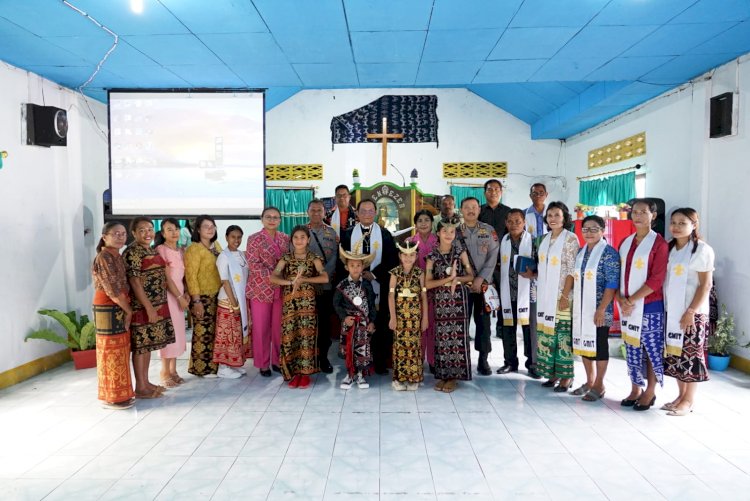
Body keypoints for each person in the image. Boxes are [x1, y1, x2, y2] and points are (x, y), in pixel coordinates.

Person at [616, 199, 668, 411]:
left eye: (643, 212)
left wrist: (631, 300)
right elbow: (619, 275)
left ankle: (650, 392)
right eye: (634, 212)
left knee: (650, 349)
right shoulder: (625, 242)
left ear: (653, 216)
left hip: (650, 305)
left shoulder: (659, 244)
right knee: (632, 348)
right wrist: (621, 299)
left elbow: (657, 279)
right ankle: (635, 387)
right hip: (628, 305)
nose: (637, 216)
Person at [663, 208, 714, 416]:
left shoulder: (702, 250)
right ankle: (680, 395)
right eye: (673, 222)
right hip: (672, 310)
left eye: (682, 223)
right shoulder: (670, 249)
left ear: (694, 225)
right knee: (676, 354)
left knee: (691, 356)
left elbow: (705, 285)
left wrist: (691, 311)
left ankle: (689, 400)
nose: (676, 227)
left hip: (693, 313)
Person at [339, 199, 398, 375]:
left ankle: (379, 361)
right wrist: (354, 277)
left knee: (378, 323)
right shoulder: (347, 234)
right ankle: (356, 362)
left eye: (370, 210)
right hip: (354, 286)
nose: (366, 214)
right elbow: (342, 260)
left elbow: (391, 260)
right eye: (362, 211)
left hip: (378, 285)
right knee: (358, 324)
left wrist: (373, 274)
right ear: (357, 213)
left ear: (375, 213)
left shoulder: (385, 234)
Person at [123, 217, 176, 398]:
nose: (147, 233)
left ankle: (146, 382)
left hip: (156, 303)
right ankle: (141, 387)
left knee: (147, 346)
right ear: (134, 233)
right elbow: (135, 282)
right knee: (140, 347)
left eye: (150, 229)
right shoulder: (133, 252)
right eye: (142, 230)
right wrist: (149, 308)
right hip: (142, 307)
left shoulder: (150, 249)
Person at [270, 226, 328, 388]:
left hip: (308, 303)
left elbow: (324, 277)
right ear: (291, 240)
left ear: (308, 240)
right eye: (296, 237)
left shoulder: (313, 258)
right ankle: (293, 372)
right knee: (291, 335)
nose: (299, 240)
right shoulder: (285, 258)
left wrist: (305, 280)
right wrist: (290, 282)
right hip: (290, 302)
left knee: (306, 336)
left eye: (303, 237)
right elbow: (273, 277)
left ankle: (305, 373)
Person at [571, 215, 620, 401]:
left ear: (602, 231)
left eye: (593, 229)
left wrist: (601, 309)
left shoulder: (609, 253)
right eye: (585, 229)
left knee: (599, 346)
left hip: (600, 310)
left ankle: (599, 384)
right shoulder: (581, 252)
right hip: (582, 309)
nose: (589, 233)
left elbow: (612, 283)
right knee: (585, 346)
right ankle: (589, 381)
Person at [534, 202, 580, 391]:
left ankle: (566, 377)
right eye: (550, 215)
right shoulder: (543, 239)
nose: (553, 218)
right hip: (545, 296)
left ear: (565, 217)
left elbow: (571, 269)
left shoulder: (571, 239)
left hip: (562, 296)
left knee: (562, 337)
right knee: (547, 336)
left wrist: (564, 295)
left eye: (557, 215)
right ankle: (552, 374)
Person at [426, 219, 474, 393]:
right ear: (438, 233)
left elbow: (470, 276)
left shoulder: (460, 252)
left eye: (452, 232)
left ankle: (454, 376)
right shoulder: (432, 256)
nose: (448, 235)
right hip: (440, 299)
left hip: (458, 299)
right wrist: (448, 279)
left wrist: (457, 279)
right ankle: (444, 375)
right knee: (442, 338)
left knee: (457, 337)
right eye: (444, 231)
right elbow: (428, 283)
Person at [91, 222, 135, 410]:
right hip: (108, 308)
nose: (120, 237)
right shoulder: (104, 257)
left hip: (120, 305)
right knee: (110, 353)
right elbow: (112, 290)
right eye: (115, 233)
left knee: (122, 350)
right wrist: (129, 310)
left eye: (123, 234)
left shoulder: (117, 255)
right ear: (104, 236)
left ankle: (122, 394)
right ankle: (111, 397)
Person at [246, 207, 290, 377]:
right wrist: (275, 276)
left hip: (280, 290)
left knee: (278, 328)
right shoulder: (254, 239)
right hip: (260, 290)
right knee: (261, 328)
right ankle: (263, 364)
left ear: (280, 220)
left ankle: (277, 361)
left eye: (275, 217)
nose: (272, 220)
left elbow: (289, 261)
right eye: (268, 217)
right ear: (262, 219)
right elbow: (253, 264)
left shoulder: (285, 239)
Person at [457, 197, 498, 375]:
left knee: (483, 324)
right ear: (461, 210)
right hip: (461, 286)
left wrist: (481, 278)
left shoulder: (488, 231)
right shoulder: (454, 232)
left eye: (474, 207)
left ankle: (483, 360)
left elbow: (493, 255)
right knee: (461, 322)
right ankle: (461, 358)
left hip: (482, 286)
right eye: (467, 207)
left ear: (479, 210)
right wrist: (464, 279)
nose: (471, 210)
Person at [497, 209, 540, 378]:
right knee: (508, 328)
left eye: (518, 221)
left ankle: (533, 363)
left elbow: (541, 266)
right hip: (508, 291)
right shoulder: (503, 241)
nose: (514, 224)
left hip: (528, 293)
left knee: (530, 330)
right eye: (511, 221)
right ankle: (510, 362)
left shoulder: (534, 242)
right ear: (506, 223)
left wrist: (534, 274)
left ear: (524, 223)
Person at [333, 241, 377, 389]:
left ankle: (360, 375)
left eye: (358, 265)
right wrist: (344, 317)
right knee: (349, 348)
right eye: (352, 265)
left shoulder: (367, 285)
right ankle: (349, 374)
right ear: (346, 267)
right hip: (349, 323)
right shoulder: (342, 285)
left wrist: (372, 322)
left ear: (363, 267)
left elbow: (371, 304)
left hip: (364, 323)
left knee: (362, 348)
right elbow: (336, 304)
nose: (355, 268)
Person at [185, 215, 223, 377]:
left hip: (218, 295)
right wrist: (196, 300)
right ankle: (201, 368)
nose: (210, 229)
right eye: (206, 226)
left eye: (212, 226)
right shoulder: (194, 249)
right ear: (198, 230)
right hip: (202, 297)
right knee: (202, 333)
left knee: (216, 332)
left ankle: (215, 366)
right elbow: (191, 276)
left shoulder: (217, 246)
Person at [388, 240, 429, 391]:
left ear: (416, 256)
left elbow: (423, 296)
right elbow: (390, 296)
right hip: (399, 316)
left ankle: (414, 378)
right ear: (400, 255)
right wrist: (392, 317)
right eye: (405, 255)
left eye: (411, 255)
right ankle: (399, 378)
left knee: (414, 346)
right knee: (399, 346)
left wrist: (424, 318)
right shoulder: (395, 273)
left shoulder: (420, 273)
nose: (408, 258)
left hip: (415, 317)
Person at [154, 218, 190, 387]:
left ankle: (174, 370)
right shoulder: (161, 250)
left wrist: (186, 294)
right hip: (169, 297)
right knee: (168, 334)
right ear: (162, 233)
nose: (174, 232)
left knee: (178, 334)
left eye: (176, 229)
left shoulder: (182, 251)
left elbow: (183, 277)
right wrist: (179, 297)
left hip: (180, 295)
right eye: (169, 229)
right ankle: (164, 372)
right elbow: (167, 278)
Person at [213, 225, 251, 379]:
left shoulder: (241, 254)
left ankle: (232, 365)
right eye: (233, 237)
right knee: (227, 334)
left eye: (239, 237)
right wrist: (234, 303)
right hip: (228, 301)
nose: (236, 240)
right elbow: (225, 281)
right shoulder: (224, 256)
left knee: (236, 334)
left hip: (240, 298)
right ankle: (223, 367)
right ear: (226, 237)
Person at [307, 199, 338, 373]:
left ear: (325, 213)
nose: (316, 213)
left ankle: (323, 358)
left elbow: (333, 260)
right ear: (307, 212)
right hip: (306, 288)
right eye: (313, 210)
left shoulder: (332, 234)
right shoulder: (300, 232)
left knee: (324, 325)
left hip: (325, 288)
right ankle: (308, 358)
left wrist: (322, 279)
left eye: (319, 211)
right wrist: (311, 280)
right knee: (307, 324)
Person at [479, 179, 511, 339]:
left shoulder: (508, 212)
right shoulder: (479, 211)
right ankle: (485, 331)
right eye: (490, 189)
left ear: (501, 192)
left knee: (503, 296)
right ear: (485, 192)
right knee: (483, 298)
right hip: (482, 264)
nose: (493, 192)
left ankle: (501, 328)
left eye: (497, 189)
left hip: (501, 263)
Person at [407, 210, 438, 373]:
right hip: (415, 292)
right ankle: (417, 360)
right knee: (418, 326)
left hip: (435, 291)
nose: (424, 223)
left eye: (427, 220)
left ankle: (433, 361)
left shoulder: (439, 241)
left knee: (433, 326)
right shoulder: (409, 242)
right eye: (420, 220)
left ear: (432, 223)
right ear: (415, 224)